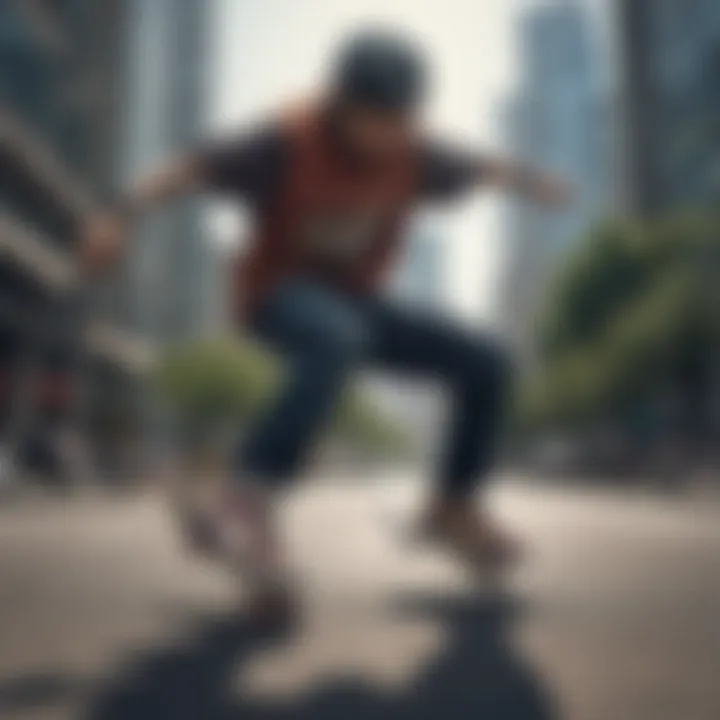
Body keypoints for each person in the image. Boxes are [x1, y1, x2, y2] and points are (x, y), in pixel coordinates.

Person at [80, 29, 572, 623]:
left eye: (400, 120)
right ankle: (246, 499)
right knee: (337, 336)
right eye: (373, 119)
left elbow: (485, 169)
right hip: (278, 299)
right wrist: (118, 216)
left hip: (359, 304)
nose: (387, 135)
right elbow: (185, 170)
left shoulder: (417, 155)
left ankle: (452, 506)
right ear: (341, 106)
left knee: (487, 360)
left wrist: (535, 182)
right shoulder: (285, 142)